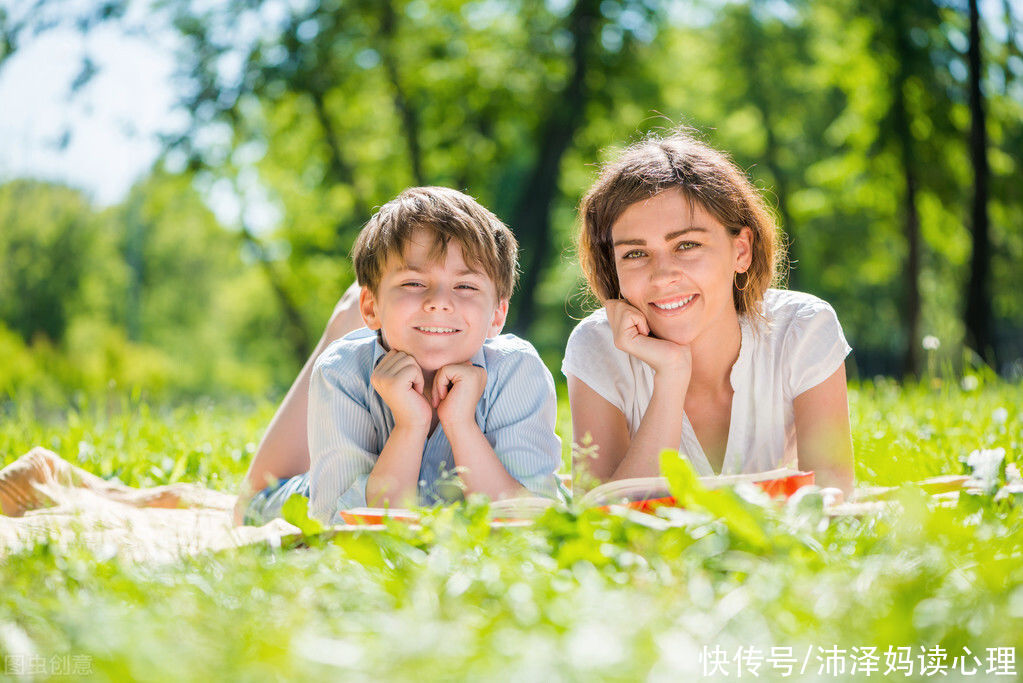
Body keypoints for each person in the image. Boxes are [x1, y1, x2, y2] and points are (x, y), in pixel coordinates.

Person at [242, 186, 562, 525]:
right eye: (414, 283)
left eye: (465, 286)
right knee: (251, 502)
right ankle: (349, 317)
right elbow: (340, 527)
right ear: (372, 307)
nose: (439, 301)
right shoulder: (341, 371)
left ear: (497, 315)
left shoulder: (518, 370)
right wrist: (410, 426)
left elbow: (530, 523)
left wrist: (461, 425)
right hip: (314, 493)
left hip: (424, 492)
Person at [562, 130, 854, 495]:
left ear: (741, 250)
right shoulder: (597, 347)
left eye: (686, 245)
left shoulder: (802, 329)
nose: (662, 276)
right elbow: (598, 520)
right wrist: (670, 376)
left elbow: (831, 500)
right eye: (635, 253)